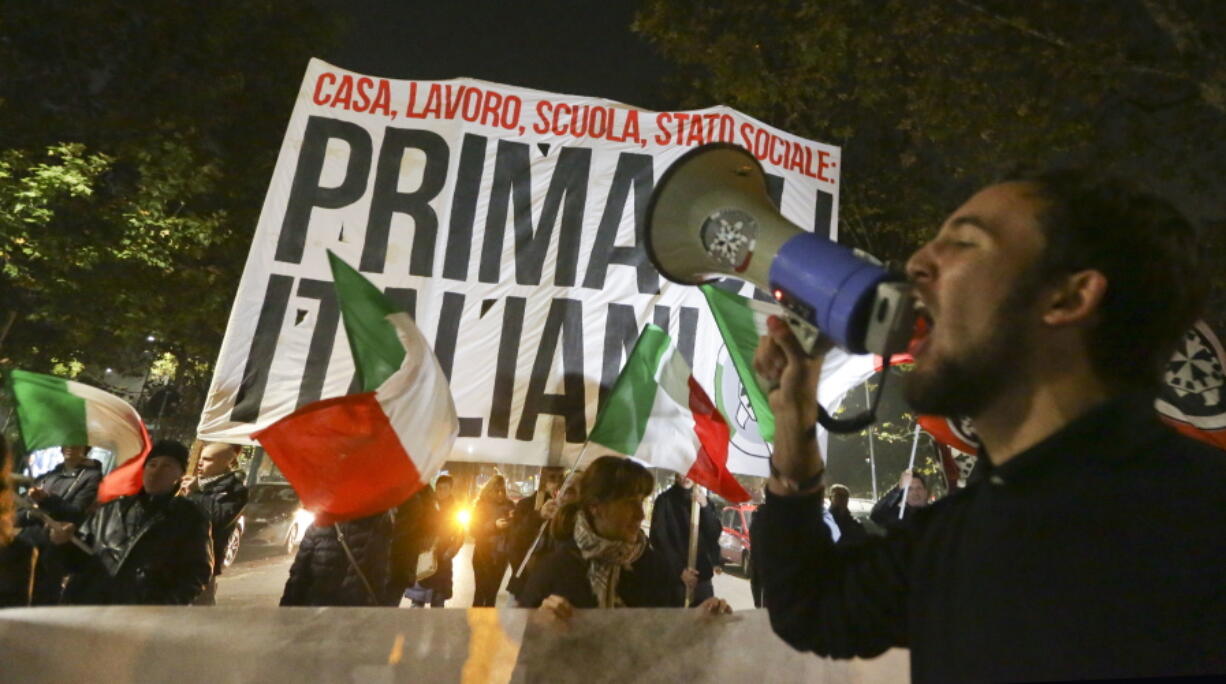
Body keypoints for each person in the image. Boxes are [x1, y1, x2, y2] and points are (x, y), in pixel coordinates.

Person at [753, 169, 1226, 681]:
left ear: (1067, 298)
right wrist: (795, 423)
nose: (915, 264)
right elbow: (813, 608)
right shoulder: (959, 530)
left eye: (964, 242)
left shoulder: (1202, 526)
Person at [518, 456, 729, 618]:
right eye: (629, 502)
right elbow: (521, 656)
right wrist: (539, 624)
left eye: (641, 501)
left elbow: (667, 642)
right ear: (595, 507)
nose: (640, 514)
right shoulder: (557, 569)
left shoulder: (654, 569)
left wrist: (699, 617)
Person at [48, 440, 214, 605]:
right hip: (88, 607)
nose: (156, 472)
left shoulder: (189, 518)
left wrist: (162, 607)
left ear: (180, 475)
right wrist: (62, 543)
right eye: (152, 464)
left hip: (136, 617)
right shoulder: (110, 510)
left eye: (167, 466)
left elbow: (197, 573)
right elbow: (75, 561)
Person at [12, 444, 102, 605]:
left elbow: (76, 512)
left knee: (42, 600)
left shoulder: (92, 477)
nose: (70, 446)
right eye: (67, 442)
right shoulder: (47, 476)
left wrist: (47, 500)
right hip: (26, 547)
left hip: (53, 551)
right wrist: (32, 513)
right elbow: (18, 515)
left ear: (86, 448)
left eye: (76, 442)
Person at [181, 442, 248, 605]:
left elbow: (218, 518)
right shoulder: (194, 482)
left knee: (199, 611)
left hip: (203, 561)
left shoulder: (236, 490)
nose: (200, 463)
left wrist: (194, 494)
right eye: (201, 458)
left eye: (208, 459)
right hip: (177, 556)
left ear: (226, 462)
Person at [280, 510, 393, 607]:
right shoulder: (379, 524)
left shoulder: (319, 525)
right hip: (358, 616)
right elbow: (381, 578)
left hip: (318, 615)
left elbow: (298, 577)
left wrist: (286, 615)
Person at [649, 474, 722, 605]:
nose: (686, 476)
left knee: (703, 623)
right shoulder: (664, 501)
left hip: (702, 580)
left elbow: (714, 534)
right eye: (682, 471)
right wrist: (680, 571)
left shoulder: (704, 502)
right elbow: (659, 540)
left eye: (691, 471)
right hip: (673, 581)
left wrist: (705, 507)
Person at [505, 465, 565, 598]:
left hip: (555, 587)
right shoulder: (526, 505)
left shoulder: (566, 507)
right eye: (552, 478)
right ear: (543, 479)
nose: (558, 482)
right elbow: (515, 540)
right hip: (526, 583)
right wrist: (538, 516)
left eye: (561, 477)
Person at [412, 475, 465, 607]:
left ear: (450, 489)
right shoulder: (427, 506)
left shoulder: (455, 510)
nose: (440, 491)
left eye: (444, 488)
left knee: (438, 602)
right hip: (424, 556)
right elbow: (417, 527)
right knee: (417, 601)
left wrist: (450, 552)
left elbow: (460, 535)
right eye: (439, 488)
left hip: (443, 560)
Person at [470, 474, 513, 607]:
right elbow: (473, 530)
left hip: (501, 557)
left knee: (491, 595)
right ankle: (474, 624)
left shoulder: (511, 506)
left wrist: (513, 520)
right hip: (483, 556)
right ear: (490, 490)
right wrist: (494, 525)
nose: (501, 494)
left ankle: (488, 625)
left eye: (503, 491)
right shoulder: (481, 505)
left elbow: (518, 530)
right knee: (480, 593)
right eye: (497, 490)